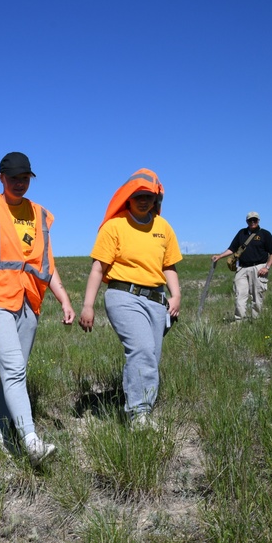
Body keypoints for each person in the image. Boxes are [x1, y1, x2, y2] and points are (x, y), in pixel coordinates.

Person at [0, 152, 75, 465]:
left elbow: (47, 265)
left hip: (29, 302)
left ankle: (0, 433)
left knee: (13, 373)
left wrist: (64, 299)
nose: (19, 183)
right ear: (1, 178)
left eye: (24, 178)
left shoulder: (40, 215)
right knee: (14, 370)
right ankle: (30, 440)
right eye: (13, 178)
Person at [78, 169, 182, 428]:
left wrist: (176, 294)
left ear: (155, 199)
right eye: (138, 196)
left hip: (157, 300)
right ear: (128, 199)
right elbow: (98, 268)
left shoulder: (163, 227)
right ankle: (139, 415)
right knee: (142, 349)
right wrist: (88, 305)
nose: (143, 201)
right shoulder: (115, 226)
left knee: (152, 356)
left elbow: (169, 266)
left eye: (148, 196)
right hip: (123, 295)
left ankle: (142, 406)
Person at [211, 212, 272, 321]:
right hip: (242, 268)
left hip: (259, 267)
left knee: (257, 296)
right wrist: (220, 256)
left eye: (254, 220)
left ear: (258, 221)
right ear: (247, 221)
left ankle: (256, 321)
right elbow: (232, 249)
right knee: (239, 295)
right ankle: (239, 321)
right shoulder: (241, 233)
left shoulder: (265, 234)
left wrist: (267, 267)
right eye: (250, 220)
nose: (252, 222)